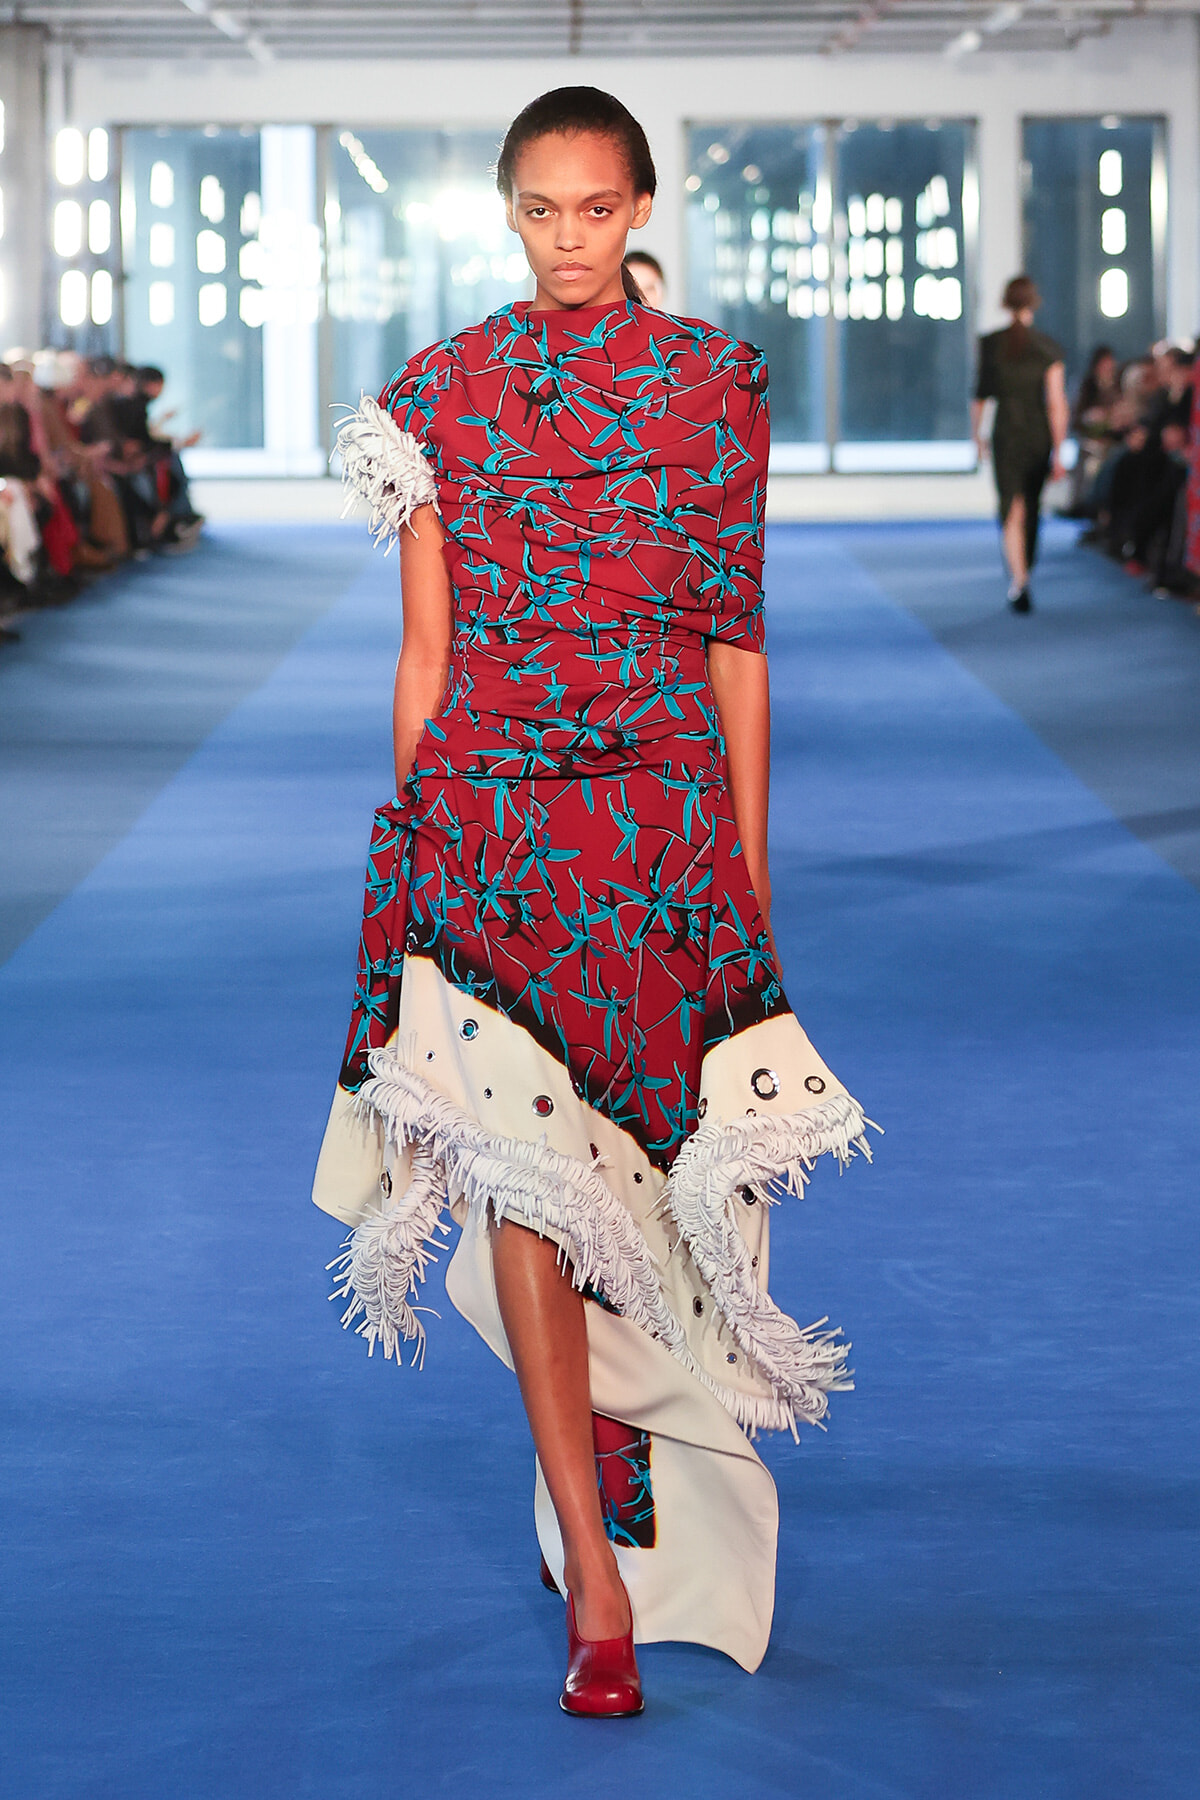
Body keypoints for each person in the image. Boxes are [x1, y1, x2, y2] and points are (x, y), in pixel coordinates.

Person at [314, 85, 872, 1718]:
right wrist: (411, 841)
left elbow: (735, 642)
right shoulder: (440, 396)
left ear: (642, 207)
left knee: (667, 1195)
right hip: (486, 833)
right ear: (510, 214)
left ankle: (635, 1486)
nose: (569, 236)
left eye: (596, 206)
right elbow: (426, 651)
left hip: (650, 834)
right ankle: (597, 1574)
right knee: (526, 1189)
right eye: (542, 210)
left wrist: (748, 876)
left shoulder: (712, 394)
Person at [972, 275, 1068, 613]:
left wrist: (977, 437)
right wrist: (1058, 449)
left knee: (1011, 506)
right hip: (1037, 433)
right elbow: (1056, 403)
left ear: (1004, 302)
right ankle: (1024, 570)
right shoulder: (1047, 347)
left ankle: (1019, 578)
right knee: (1031, 503)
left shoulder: (991, 344)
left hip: (1007, 433)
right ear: (1034, 303)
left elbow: (980, 396)